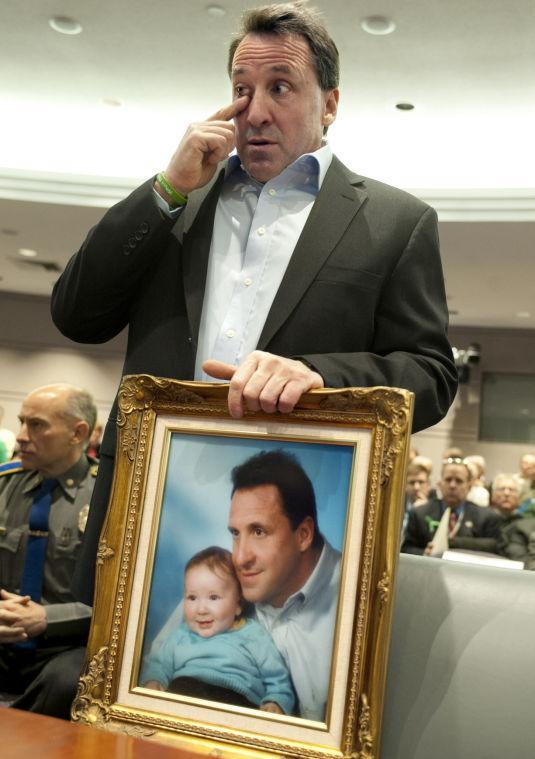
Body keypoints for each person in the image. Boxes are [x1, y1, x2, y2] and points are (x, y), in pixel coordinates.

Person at [50, 2, 457, 606]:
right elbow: (77, 315)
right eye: (242, 89)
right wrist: (165, 188)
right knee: (91, 686)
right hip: (144, 498)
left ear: (331, 103)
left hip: (288, 523)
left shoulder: (395, 223)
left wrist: (320, 376)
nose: (255, 111)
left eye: (281, 87)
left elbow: (432, 375)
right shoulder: (180, 200)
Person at [0, 383, 97, 718]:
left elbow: (124, 597)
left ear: (77, 432)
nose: (22, 435)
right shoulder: (4, 485)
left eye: (37, 424)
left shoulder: (107, 498)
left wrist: (48, 618)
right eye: (22, 422)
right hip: (3, 631)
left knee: (69, 682)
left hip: (66, 642)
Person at [228, 449, 339, 721]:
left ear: (303, 535)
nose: (240, 558)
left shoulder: (357, 597)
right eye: (235, 534)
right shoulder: (218, 587)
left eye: (259, 532)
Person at [141, 546, 294, 714]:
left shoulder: (253, 635)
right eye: (192, 597)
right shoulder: (181, 635)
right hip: (185, 694)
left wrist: (276, 702)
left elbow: (277, 679)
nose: (201, 609)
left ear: (238, 604)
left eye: (213, 597)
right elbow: (159, 666)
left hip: (238, 703)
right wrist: (153, 681)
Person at [401, 459, 502, 556]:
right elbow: (406, 549)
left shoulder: (486, 517)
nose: (452, 485)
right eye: (448, 480)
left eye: (459, 481)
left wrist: (452, 542)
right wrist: (424, 553)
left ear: (469, 486)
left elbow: (495, 546)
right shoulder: (419, 513)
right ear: (440, 484)